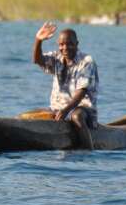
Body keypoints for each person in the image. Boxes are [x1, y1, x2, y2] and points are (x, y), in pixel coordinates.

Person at [32, 21, 99, 150]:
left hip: (82, 109)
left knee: (76, 117)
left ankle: (88, 151)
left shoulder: (86, 61)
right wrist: (38, 40)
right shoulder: (57, 57)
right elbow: (37, 59)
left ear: (76, 44)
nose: (65, 48)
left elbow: (81, 92)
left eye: (69, 44)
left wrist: (66, 110)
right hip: (57, 109)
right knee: (34, 114)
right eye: (61, 45)